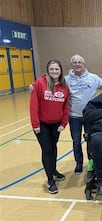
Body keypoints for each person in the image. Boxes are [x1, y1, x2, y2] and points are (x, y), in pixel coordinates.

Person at [30, 59, 70, 194]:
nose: (54, 71)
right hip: (42, 124)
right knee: (47, 150)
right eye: (52, 69)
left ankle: (53, 171)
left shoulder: (64, 85)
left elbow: (66, 106)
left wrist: (63, 123)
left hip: (56, 124)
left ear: (60, 71)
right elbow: (33, 105)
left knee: (53, 147)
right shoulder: (40, 83)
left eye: (56, 69)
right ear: (48, 70)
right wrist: (35, 124)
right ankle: (50, 180)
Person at [65, 54, 102, 174]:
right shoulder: (66, 80)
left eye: (80, 62)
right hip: (74, 116)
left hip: (90, 116)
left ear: (84, 64)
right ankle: (79, 163)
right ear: (71, 65)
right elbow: (51, 85)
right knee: (76, 141)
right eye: (75, 62)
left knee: (92, 140)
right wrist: (35, 86)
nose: (78, 64)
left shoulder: (93, 78)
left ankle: (92, 161)